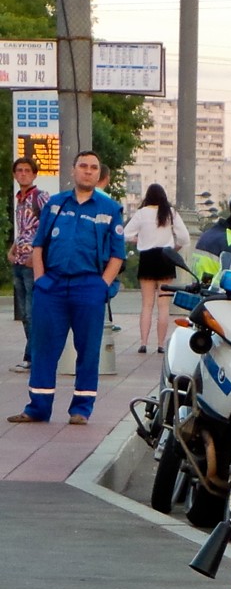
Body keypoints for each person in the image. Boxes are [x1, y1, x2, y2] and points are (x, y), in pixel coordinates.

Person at [8, 151, 125, 426]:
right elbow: (39, 245)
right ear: (73, 170)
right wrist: (40, 281)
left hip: (89, 287)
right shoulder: (56, 204)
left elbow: (118, 256)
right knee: (43, 348)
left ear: (99, 174)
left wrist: (101, 286)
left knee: (88, 350)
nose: (88, 171)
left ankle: (81, 409)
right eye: (83, 166)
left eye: (93, 167)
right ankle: (38, 407)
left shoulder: (110, 209)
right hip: (53, 286)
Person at [122, 183, 191, 353]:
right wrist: (175, 248)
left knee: (146, 305)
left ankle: (144, 343)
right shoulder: (170, 213)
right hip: (166, 258)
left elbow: (124, 234)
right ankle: (160, 345)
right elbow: (184, 237)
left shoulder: (141, 213)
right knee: (163, 305)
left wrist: (139, 240)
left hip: (147, 258)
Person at [9, 157, 46, 373]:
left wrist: (38, 254)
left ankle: (33, 357)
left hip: (33, 262)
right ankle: (32, 354)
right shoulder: (20, 199)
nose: (23, 174)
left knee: (33, 312)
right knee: (24, 312)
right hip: (19, 261)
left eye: (26, 170)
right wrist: (12, 249)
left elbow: (47, 226)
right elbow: (24, 230)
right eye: (19, 170)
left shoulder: (39, 198)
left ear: (34, 174)